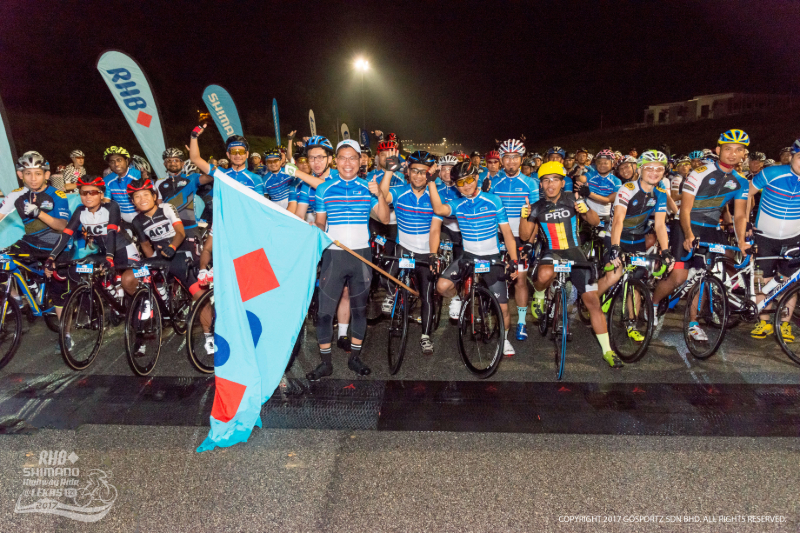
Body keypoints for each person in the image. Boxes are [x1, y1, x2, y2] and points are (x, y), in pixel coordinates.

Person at [519, 162, 623, 368]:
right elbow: (524, 236)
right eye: (546, 180)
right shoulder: (537, 206)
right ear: (541, 184)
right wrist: (524, 216)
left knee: (592, 301)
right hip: (551, 252)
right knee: (544, 275)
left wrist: (586, 209)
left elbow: (595, 222)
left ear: (562, 182)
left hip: (575, 252)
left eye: (555, 180)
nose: (550, 184)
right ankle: (539, 294)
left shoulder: (572, 199)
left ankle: (607, 351)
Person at [651, 130, 750, 341]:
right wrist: (688, 234)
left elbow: (740, 215)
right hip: (685, 225)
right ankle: (654, 304)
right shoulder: (700, 173)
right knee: (679, 277)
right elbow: (685, 210)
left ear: (744, 154)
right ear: (718, 150)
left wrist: (742, 241)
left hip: (711, 229)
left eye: (738, 150)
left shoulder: (741, 181)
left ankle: (693, 322)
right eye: (728, 149)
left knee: (706, 274)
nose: (733, 154)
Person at [306, 140, 391, 380]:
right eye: (342, 157)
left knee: (359, 310)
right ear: (336, 161)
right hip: (333, 254)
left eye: (352, 157)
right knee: (324, 312)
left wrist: (379, 194)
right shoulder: (324, 188)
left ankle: (354, 358)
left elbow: (384, 219)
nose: (347, 162)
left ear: (360, 161)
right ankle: (325, 363)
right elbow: (321, 222)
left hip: (361, 256)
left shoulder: (368, 187)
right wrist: (314, 228)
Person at [429, 161, 519, 356]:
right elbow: (438, 210)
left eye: (469, 179)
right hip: (469, 256)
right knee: (442, 286)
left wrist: (514, 261)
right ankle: (456, 299)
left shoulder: (493, 200)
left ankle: (504, 340)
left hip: (492, 257)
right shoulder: (457, 204)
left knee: (503, 308)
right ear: (455, 185)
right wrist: (430, 182)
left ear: (477, 177)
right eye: (461, 182)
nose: (466, 185)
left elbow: (507, 234)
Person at [127, 177, 213, 355]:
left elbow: (180, 232)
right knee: (129, 279)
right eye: (137, 197)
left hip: (180, 251)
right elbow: (145, 245)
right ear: (133, 202)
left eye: (145, 195)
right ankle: (141, 335)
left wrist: (172, 246)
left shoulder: (166, 208)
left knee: (200, 296)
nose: (142, 199)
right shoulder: (137, 221)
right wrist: (153, 264)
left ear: (154, 196)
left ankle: (210, 337)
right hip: (161, 256)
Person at [598, 151, 673, 340]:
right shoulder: (628, 189)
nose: (654, 172)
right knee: (614, 275)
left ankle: (631, 323)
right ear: (640, 169)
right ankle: (592, 302)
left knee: (637, 282)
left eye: (659, 169)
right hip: (617, 235)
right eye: (649, 168)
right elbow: (618, 221)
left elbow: (660, 225)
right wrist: (615, 247)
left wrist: (666, 251)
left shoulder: (661, 192)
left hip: (637, 238)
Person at [45, 175, 141, 322]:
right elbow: (66, 235)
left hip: (124, 250)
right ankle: (99, 308)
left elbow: (111, 233)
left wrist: (109, 258)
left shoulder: (111, 207)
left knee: (128, 282)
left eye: (93, 192)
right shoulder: (80, 211)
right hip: (104, 252)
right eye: (84, 193)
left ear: (101, 194)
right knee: (77, 269)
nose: (88, 196)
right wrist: (51, 257)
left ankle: (141, 305)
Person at [379, 150, 439, 354]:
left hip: (425, 252)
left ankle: (425, 336)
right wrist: (389, 171)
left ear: (429, 173)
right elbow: (382, 196)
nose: (418, 176)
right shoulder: (400, 192)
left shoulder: (434, 194)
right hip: (403, 248)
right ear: (408, 172)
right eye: (415, 171)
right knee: (385, 278)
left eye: (423, 172)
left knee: (427, 295)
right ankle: (392, 294)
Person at [747, 139, 800, 341]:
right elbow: (746, 194)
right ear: (792, 157)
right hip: (764, 237)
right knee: (763, 281)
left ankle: (784, 325)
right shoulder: (772, 173)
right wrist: (745, 222)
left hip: (793, 238)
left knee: (789, 283)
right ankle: (764, 322)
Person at [489, 139, 540, 340]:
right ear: (501, 160)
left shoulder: (530, 183)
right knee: (494, 279)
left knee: (520, 280)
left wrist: (530, 243)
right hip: (497, 236)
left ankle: (521, 322)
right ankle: (496, 317)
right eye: (507, 158)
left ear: (522, 159)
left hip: (520, 237)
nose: (511, 162)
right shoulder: (494, 182)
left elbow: (535, 216)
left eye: (515, 158)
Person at [156, 148, 213, 242]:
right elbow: (158, 208)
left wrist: (197, 159)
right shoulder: (159, 183)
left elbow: (213, 175)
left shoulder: (192, 179)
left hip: (190, 228)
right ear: (164, 164)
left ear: (182, 163)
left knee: (196, 252)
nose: (172, 163)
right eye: (169, 160)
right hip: (170, 229)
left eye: (176, 160)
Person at [188, 126, 265, 195]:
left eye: (241, 152)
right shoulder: (220, 173)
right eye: (233, 152)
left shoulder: (256, 179)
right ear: (228, 155)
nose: (238, 155)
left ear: (247, 154)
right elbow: (195, 158)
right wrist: (194, 137)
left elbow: (261, 204)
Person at [576, 149, 621, 224]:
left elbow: (608, 199)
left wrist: (589, 194)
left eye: (606, 163)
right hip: (587, 216)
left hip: (605, 217)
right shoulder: (591, 174)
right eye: (599, 162)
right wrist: (577, 175)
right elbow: (582, 179)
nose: (602, 165)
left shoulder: (616, 181)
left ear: (613, 164)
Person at [103, 146, 141, 224]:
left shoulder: (137, 175)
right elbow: (107, 202)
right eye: (112, 162)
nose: (116, 164)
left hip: (142, 217)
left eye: (119, 160)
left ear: (126, 161)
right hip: (123, 221)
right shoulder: (107, 180)